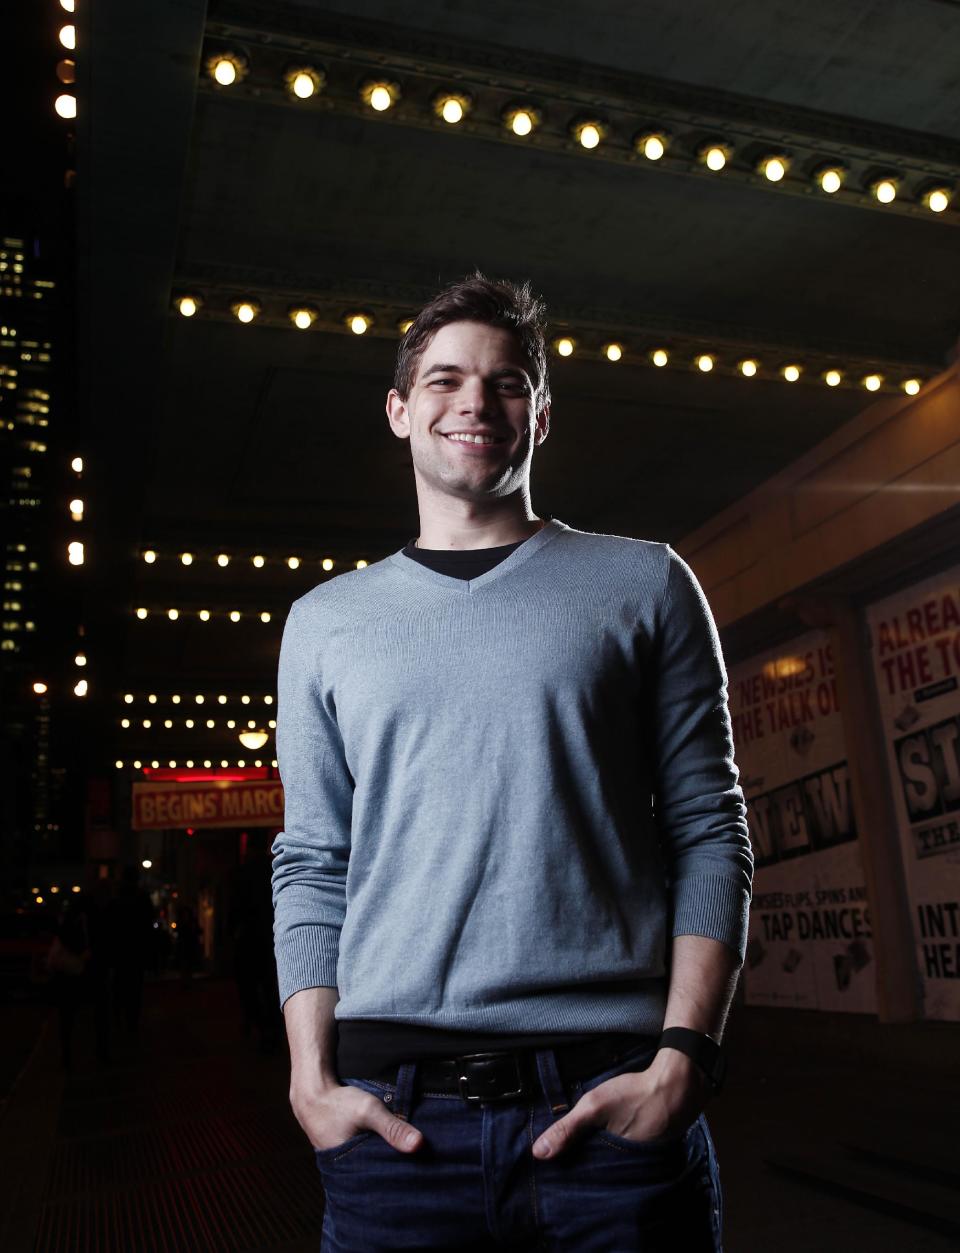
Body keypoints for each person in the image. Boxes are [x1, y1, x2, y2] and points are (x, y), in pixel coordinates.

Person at [271, 272, 754, 1251]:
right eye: (445, 378)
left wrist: (685, 1057)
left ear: (540, 414)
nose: (475, 401)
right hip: (396, 1133)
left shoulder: (646, 581)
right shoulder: (325, 621)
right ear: (402, 409)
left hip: (611, 1114)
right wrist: (309, 1078)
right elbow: (314, 858)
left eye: (506, 380)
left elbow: (710, 825)